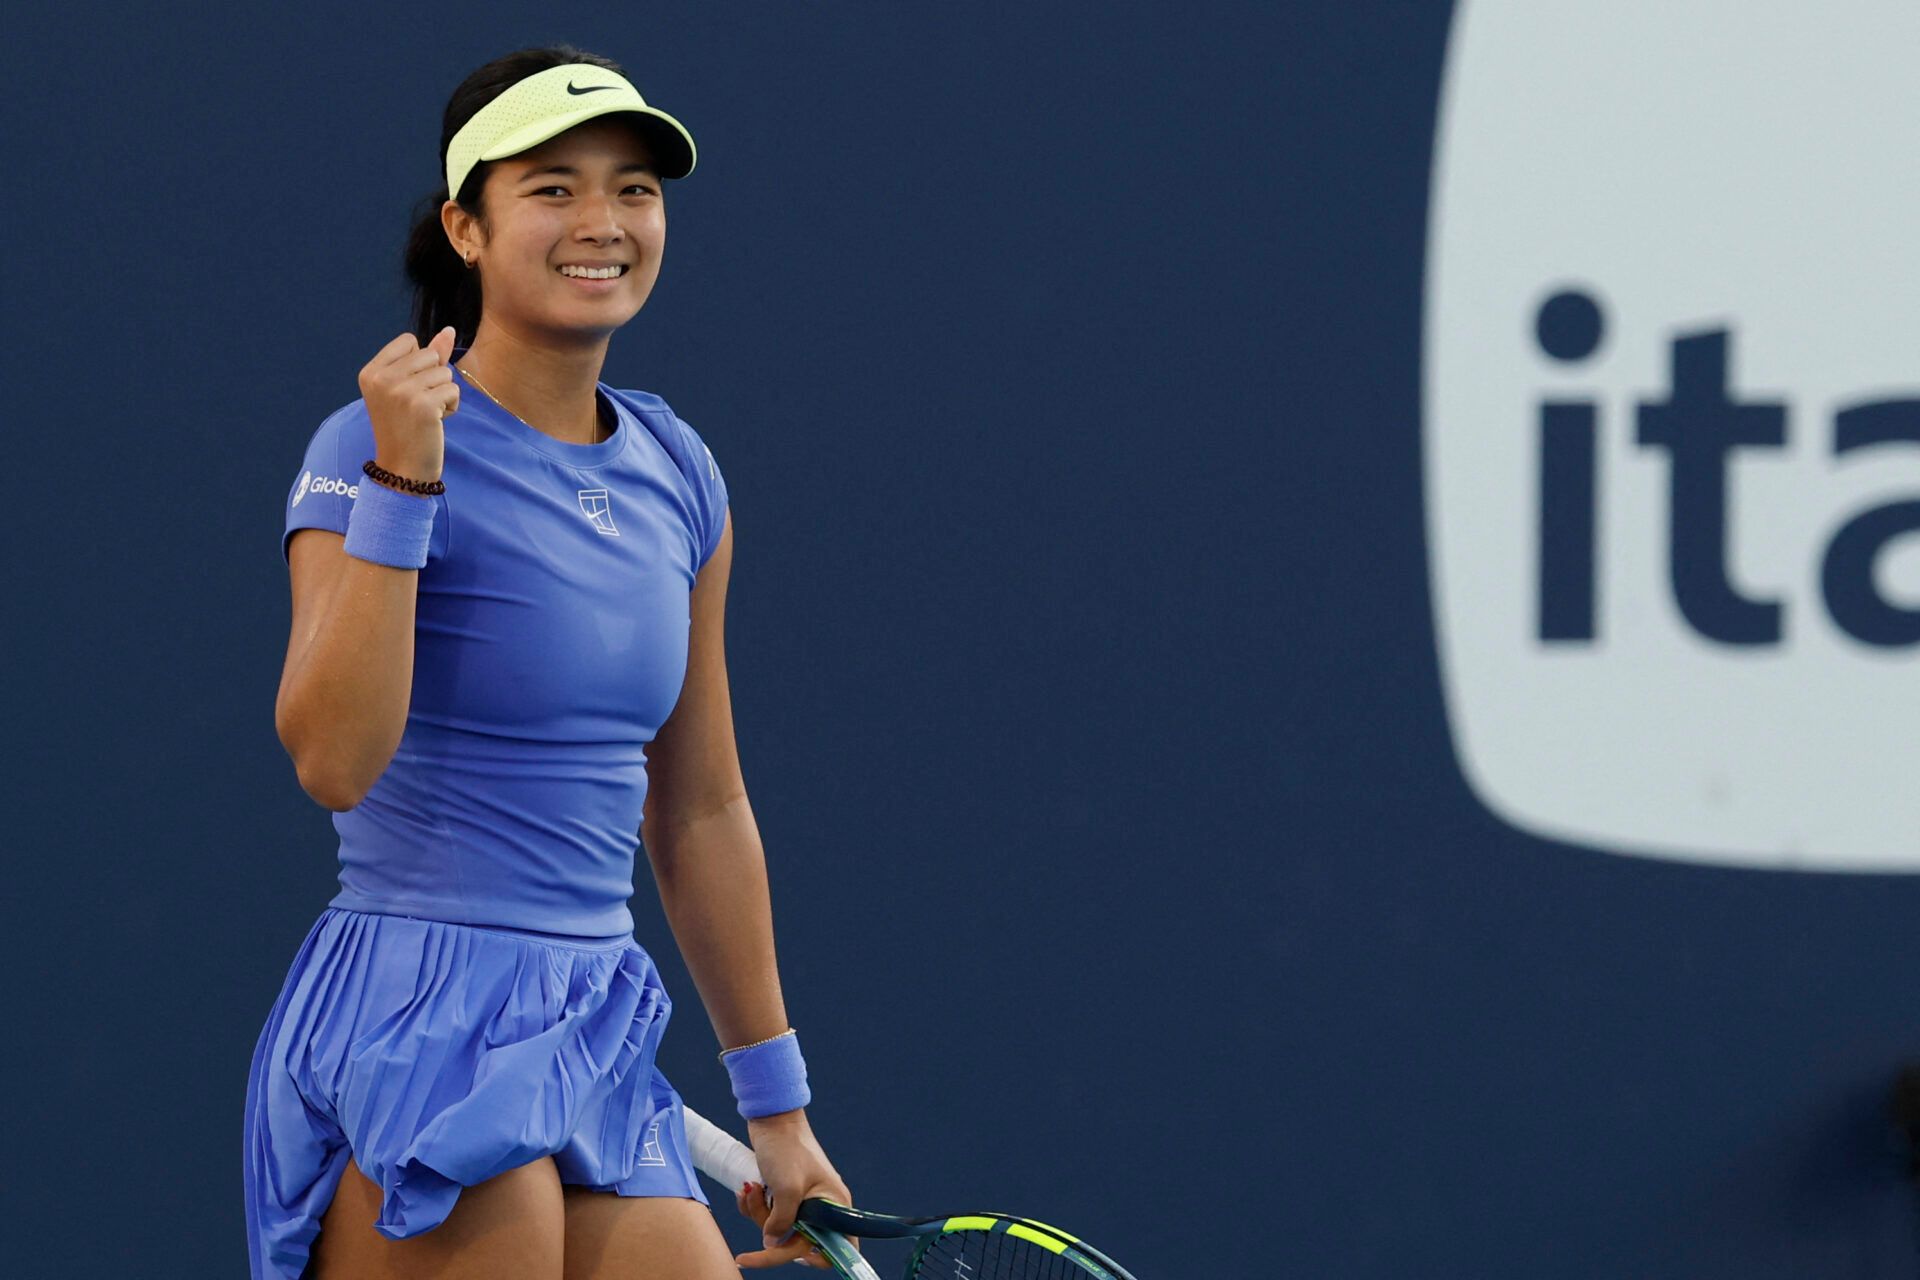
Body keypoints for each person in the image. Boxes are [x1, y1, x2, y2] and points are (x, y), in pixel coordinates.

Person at [243, 45, 851, 1279]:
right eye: (555, 187)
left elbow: (703, 804)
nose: (604, 223)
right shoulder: (368, 439)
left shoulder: (680, 472)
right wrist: (407, 477)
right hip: (413, 1015)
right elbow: (331, 757)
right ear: (466, 227)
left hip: (591, 1023)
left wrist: (776, 1106)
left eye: (634, 188)